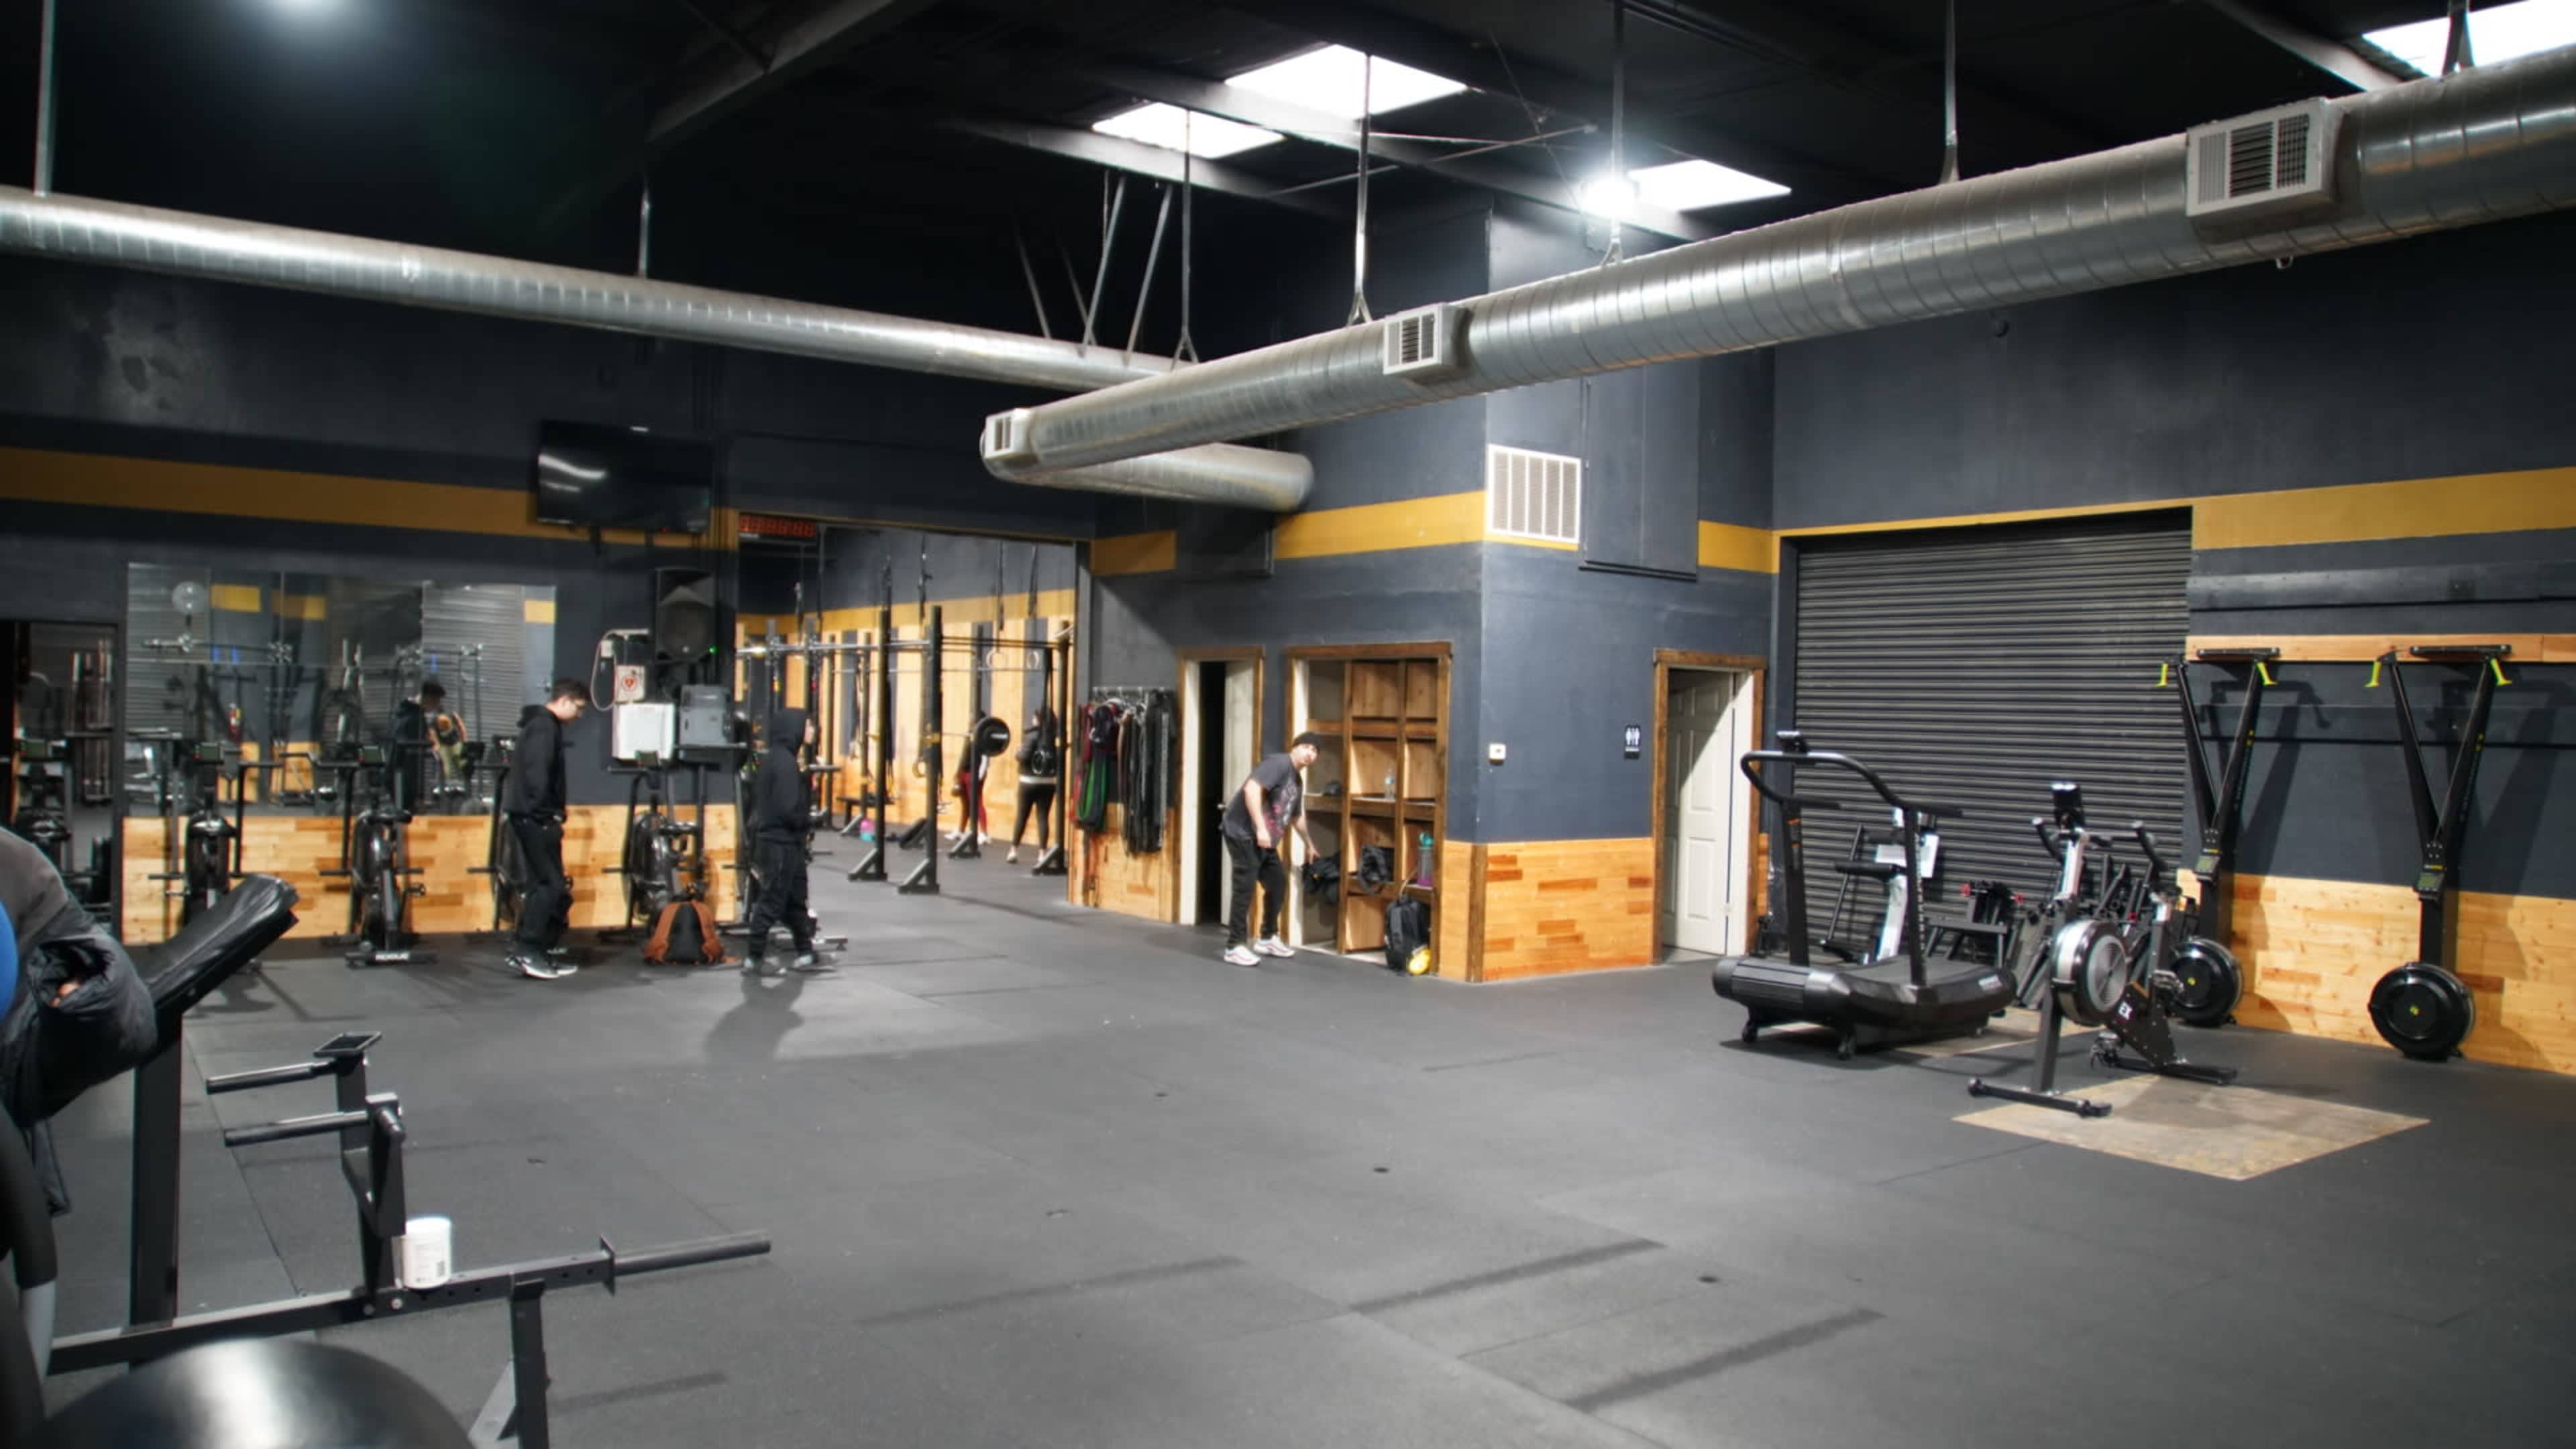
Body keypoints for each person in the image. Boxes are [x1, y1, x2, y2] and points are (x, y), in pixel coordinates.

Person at [500, 678, 590, 981]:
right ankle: (528, 949)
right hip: (535, 817)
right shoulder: (544, 727)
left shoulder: (542, 726)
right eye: (578, 708)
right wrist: (546, 815)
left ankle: (536, 949)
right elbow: (537, 774)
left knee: (548, 887)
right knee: (550, 887)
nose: (579, 716)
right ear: (564, 701)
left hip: (531, 816)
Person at [1218, 733, 1322, 967]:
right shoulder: (1278, 764)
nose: (1310, 753)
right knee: (1244, 888)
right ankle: (1234, 946)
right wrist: (1262, 828)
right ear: (1294, 747)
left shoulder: (1296, 780)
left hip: (1263, 840)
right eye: (1306, 747)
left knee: (1277, 883)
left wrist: (1310, 844)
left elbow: (1295, 817)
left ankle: (1266, 938)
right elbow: (1252, 790)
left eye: (1315, 751)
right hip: (1243, 833)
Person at [743, 708, 830, 975]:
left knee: (795, 900)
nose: (813, 731)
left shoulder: (781, 760)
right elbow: (788, 808)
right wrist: (806, 819)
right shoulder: (783, 764)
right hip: (779, 844)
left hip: (787, 843)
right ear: (795, 729)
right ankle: (754, 959)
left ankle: (805, 953)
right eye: (809, 726)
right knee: (772, 901)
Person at [1006, 706, 1061, 864]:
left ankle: (1013, 850)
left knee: (1022, 816)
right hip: (1049, 783)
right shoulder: (1055, 738)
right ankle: (1042, 853)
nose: (1032, 720)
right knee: (1043, 817)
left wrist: (1018, 752)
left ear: (1038, 719)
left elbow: (1024, 757)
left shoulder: (1032, 737)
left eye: (1034, 717)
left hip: (1028, 782)